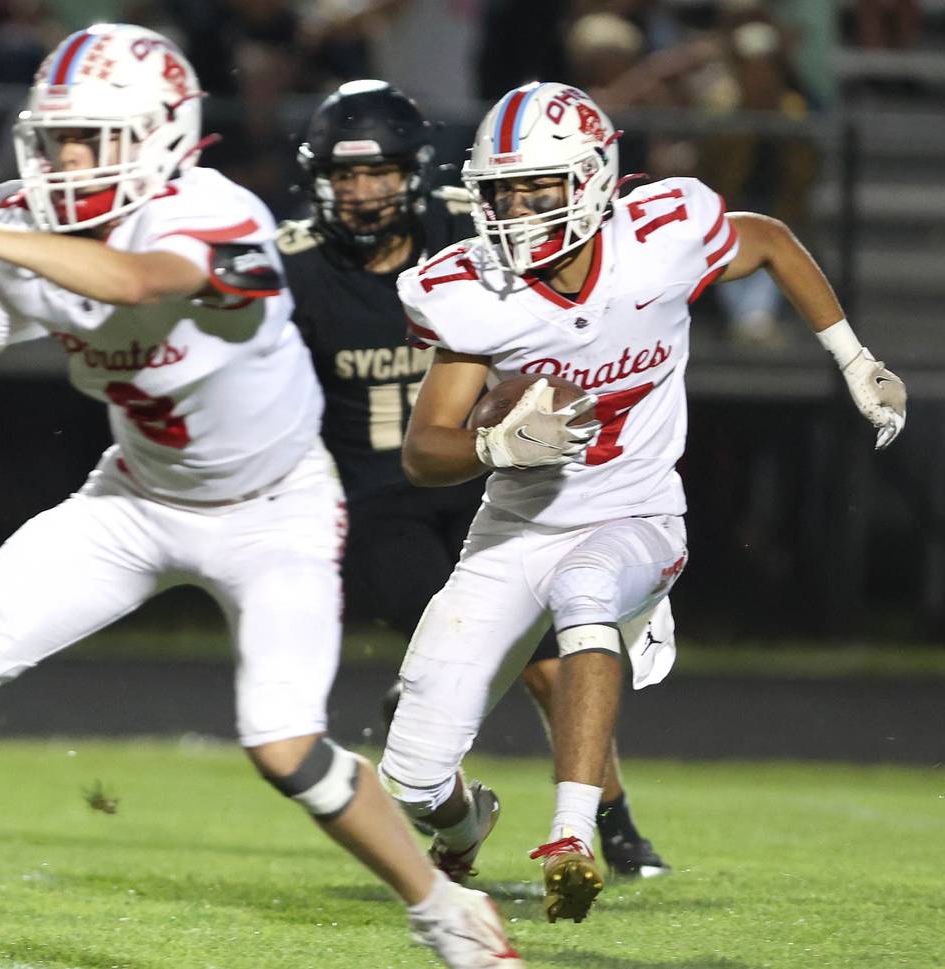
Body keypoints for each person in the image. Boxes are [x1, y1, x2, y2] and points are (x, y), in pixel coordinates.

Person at [0, 24, 524, 969]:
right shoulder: (23, 223)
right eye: (57, 136)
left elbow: (141, 280)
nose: (66, 159)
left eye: (92, 137)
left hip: (272, 510)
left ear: (164, 135)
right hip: (133, 500)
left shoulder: (216, 214)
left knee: (284, 747)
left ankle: (445, 911)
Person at [379, 81, 905, 925]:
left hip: (636, 514)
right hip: (513, 532)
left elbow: (767, 239)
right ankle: (469, 822)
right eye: (503, 191)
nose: (517, 210)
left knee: (587, 589)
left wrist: (853, 360)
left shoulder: (658, 239)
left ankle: (572, 835)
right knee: (408, 776)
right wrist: (494, 446)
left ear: (592, 178)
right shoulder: (474, 290)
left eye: (538, 188)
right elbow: (423, 449)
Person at [282, 78, 670, 881]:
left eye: (380, 173)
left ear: (416, 173)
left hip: (503, 486)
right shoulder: (297, 270)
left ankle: (610, 813)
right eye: (346, 176)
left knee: (555, 651)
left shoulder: (485, 232)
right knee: (503, 663)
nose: (361, 192)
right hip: (383, 494)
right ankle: (468, 810)